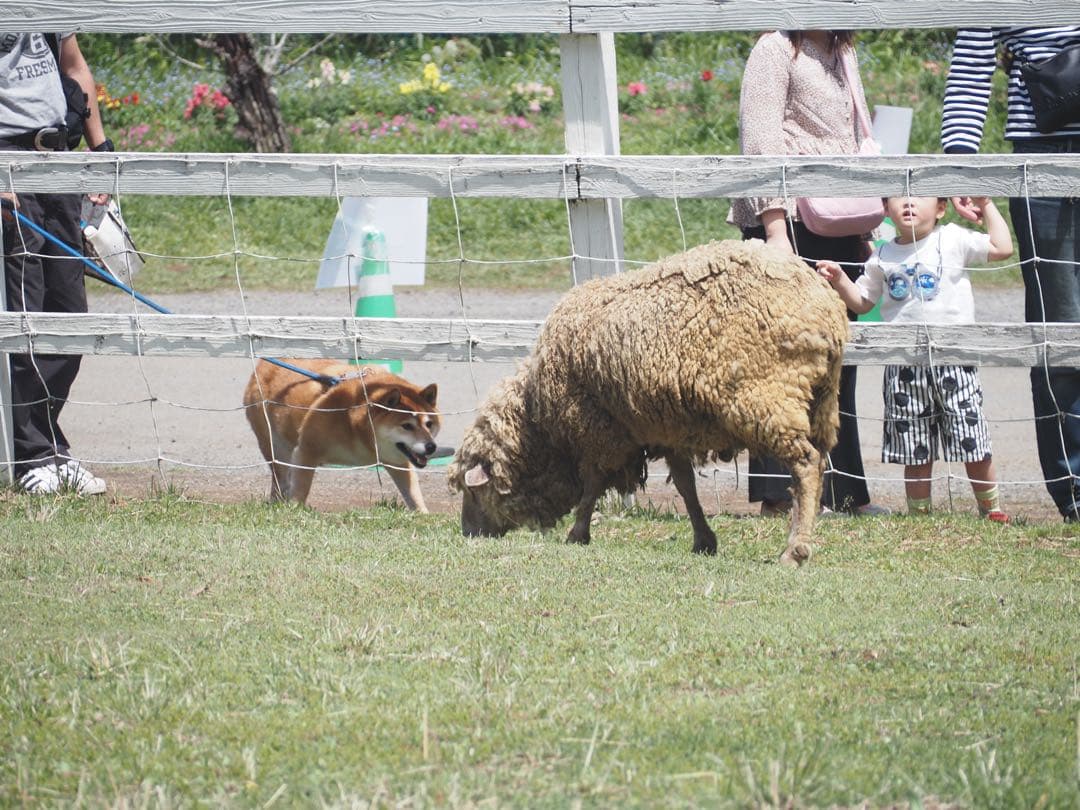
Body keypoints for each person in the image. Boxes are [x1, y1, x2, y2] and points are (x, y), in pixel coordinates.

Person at [731, 29, 888, 516]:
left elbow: (856, 136)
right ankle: (780, 495)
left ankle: (843, 489)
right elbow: (759, 137)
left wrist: (865, 215)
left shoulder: (843, 50)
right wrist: (773, 226)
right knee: (780, 363)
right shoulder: (774, 49)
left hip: (839, 221)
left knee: (840, 362)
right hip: (791, 223)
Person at [942, 27, 1080, 522]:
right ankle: (1075, 487)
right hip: (1041, 149)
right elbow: (972, 62)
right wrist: (961, 162)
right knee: (1058, 321)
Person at [817, 195, 1013, 521]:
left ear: (940, 208)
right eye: (898, 198)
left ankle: (991, 509)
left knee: (972, 439)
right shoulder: (882, 255)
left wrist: (986, 203)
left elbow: (1002, 248)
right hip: (904, 366)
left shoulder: (953, 238)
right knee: (915, 448)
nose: (908, 203)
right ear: (885, 210)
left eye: (920, 197)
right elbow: (863, 302)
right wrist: (839, 280)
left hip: (955, 361)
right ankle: (920, 516)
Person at [1, 33, 114, 494]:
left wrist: (101, 152)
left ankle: (47, 445)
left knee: (69, 314)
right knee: (23, 310)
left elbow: (74, 66)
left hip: (59, 158)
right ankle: (30, 456)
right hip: (7, 160)